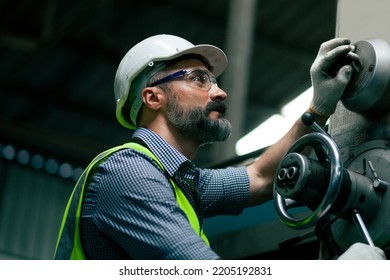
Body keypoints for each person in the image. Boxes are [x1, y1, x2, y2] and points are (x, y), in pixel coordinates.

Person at [54, 34, 385, 260]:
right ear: (153, 97)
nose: (219, 92)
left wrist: (317, 108)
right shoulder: (128, 173)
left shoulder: (182, 181)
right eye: (199, 79)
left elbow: (261, 177)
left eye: (214, 80)